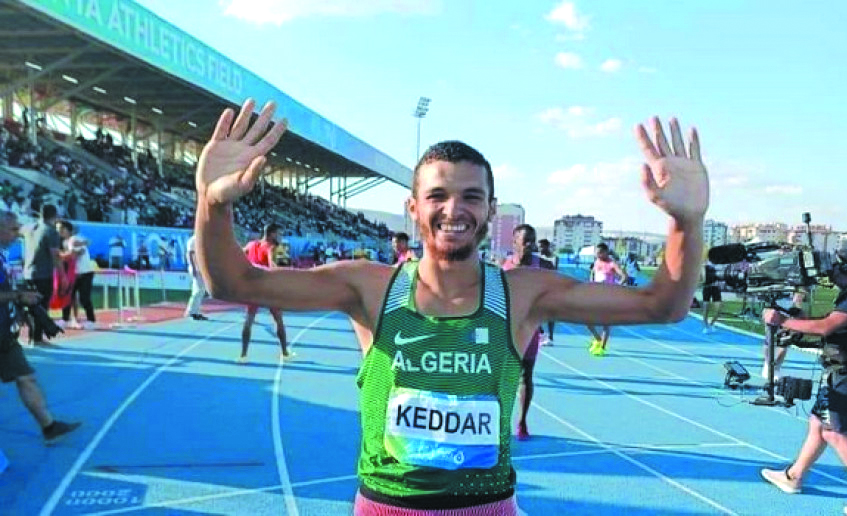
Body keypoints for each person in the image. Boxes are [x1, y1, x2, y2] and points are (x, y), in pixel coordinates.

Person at [194, 99, 707, 514]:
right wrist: (213, 203)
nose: (454, 209)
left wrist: (686, 223)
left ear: (488, 208)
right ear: (413, 208)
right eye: (437, 195)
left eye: (471, 196)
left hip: (487, 507)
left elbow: (661, 305)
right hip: (385, 507)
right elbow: (233, 281)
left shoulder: (523, 293)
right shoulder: (368, 288)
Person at [760, 249, 847, 515]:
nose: (830, 275)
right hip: (842, 369)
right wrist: (796, 328)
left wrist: (784, 321)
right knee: (818, 424)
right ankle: (794, 476)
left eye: (836, 270)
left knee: (834, 432)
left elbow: (828, 326)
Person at [0, 211, 81, 444]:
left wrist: (18, 308)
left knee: (26, 377)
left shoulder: (3, 256)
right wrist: (18, 296)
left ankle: (49, 426)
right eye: (13, 229)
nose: (18, 235)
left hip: (4, 333)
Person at [503, 225, 554, 440]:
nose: (529, 245)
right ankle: (500, 420)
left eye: (532, 241)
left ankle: (522, 421)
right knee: (502, 377)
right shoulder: (502, 267)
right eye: (525, 241)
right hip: (505, 330)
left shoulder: (543, 265)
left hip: (529, 329)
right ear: (514, 242)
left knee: (526, 375)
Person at [240, 223, 292, 362]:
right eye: (279, 234)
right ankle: (285, 352)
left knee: (249, 321)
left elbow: (240, 254)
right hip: (268, 289)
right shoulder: (271, 247)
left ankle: (243, 354)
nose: (280, 237)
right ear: (272, 234)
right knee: (279, 320)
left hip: (252, 288)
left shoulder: (251, 245)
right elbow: (272, 264)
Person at [21, 204, 66, 345]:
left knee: (33, 306)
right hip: (43, 273)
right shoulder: (51, 232)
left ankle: (33, 336)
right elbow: (55, 255)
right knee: (41, 306)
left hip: (28, 272)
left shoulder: (30, 228)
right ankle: (37, 338)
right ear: (55, 216)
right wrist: (62, 275)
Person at [587, 243, 628, 356]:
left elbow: (624, 276)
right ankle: (598, 339)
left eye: (600, 252)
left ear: (606, 252)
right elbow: (593, 273)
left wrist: (618, 286)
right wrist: (591, 283)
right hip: (595, 296)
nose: (598, 254)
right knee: (587, 321)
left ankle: (602, 348)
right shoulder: (596, 262)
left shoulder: (612, 264)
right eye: (596, 252)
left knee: (606, 323)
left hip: (607, 297)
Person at [56, 221, 96, 329]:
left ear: (68, 230)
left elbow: (76, 254)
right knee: (67, 296)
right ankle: (65, 319)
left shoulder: (74, 239)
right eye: (58, 229)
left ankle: (91, 321)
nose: (59, 231)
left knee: (84, 298)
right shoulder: (64, 242)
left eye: (61, 229)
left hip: (85, 273)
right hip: (73, 274)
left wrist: (59, 255)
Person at [761, 289, 805, 380]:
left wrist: (797, 308)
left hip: (789, 309)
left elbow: (800, 293)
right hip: (774, 307)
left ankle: (776, 368)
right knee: (769, 339)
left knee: (785, 341)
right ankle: (767, 364)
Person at [537, 238, 558, 346]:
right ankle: (542, 333)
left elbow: (555, 272)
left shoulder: (554, 258)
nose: (539, 248)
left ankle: (550, 337)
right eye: (538, 246)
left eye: (541, 246)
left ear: (546, 246)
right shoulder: (536, 257)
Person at [184, 233, 208, 321]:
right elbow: (190, 254)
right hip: (196, 268)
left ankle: (196, 311)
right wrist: (193, 267)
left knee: (201, 291)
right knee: (197, 290)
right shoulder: (193, 240)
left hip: (202, 269)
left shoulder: (203, 240)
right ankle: (190, 312)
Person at [701, 259, 723, 333]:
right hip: (707, 287)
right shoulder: (705, 263)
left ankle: (711, 324)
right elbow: (702, 277)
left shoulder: (720, 264)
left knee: (718, 309)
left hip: (716, 287)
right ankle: (705, 326)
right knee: (706, 308)